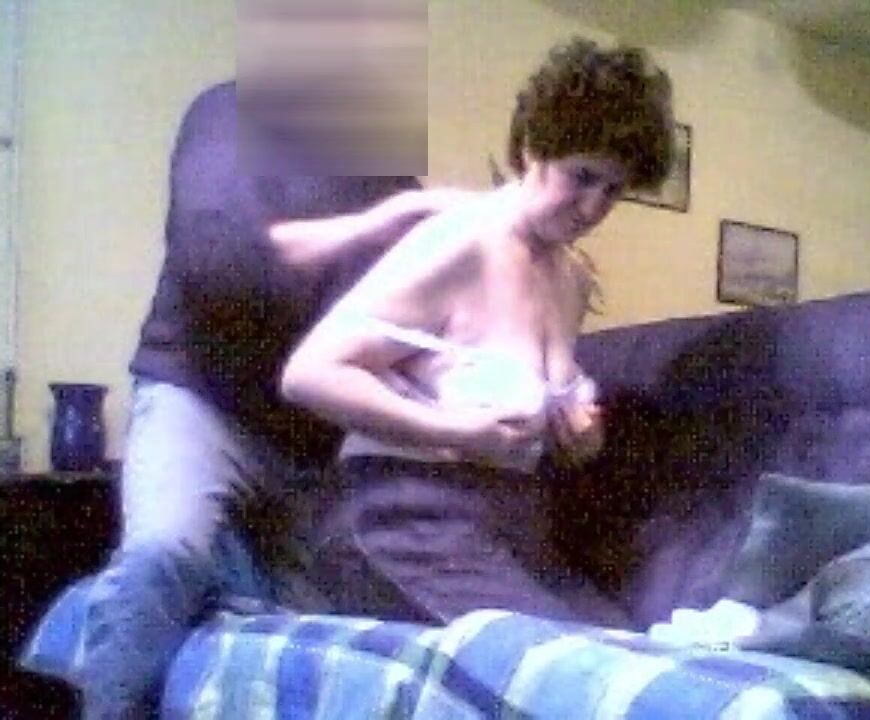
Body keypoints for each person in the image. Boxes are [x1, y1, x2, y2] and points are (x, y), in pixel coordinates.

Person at [75, 80, 460, 719]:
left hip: (311, 443)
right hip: (199, 400)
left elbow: (404, 324)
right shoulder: (227, 112)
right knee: (164, 553)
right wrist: (385, 225)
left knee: (327, 621)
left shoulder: (390, 174)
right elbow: (218, 251)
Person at [280, 37, 676, 626]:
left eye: (613, 190)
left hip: (515, 528)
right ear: (535, 147)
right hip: (405, 518)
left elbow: (532, 425)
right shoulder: (459, 240)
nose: (594, 208)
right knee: (566, 665)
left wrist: (578, 438)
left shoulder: (572, 279)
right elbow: (310, 373)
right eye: (582, 176)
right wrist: (453, 431)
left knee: (630, 648)